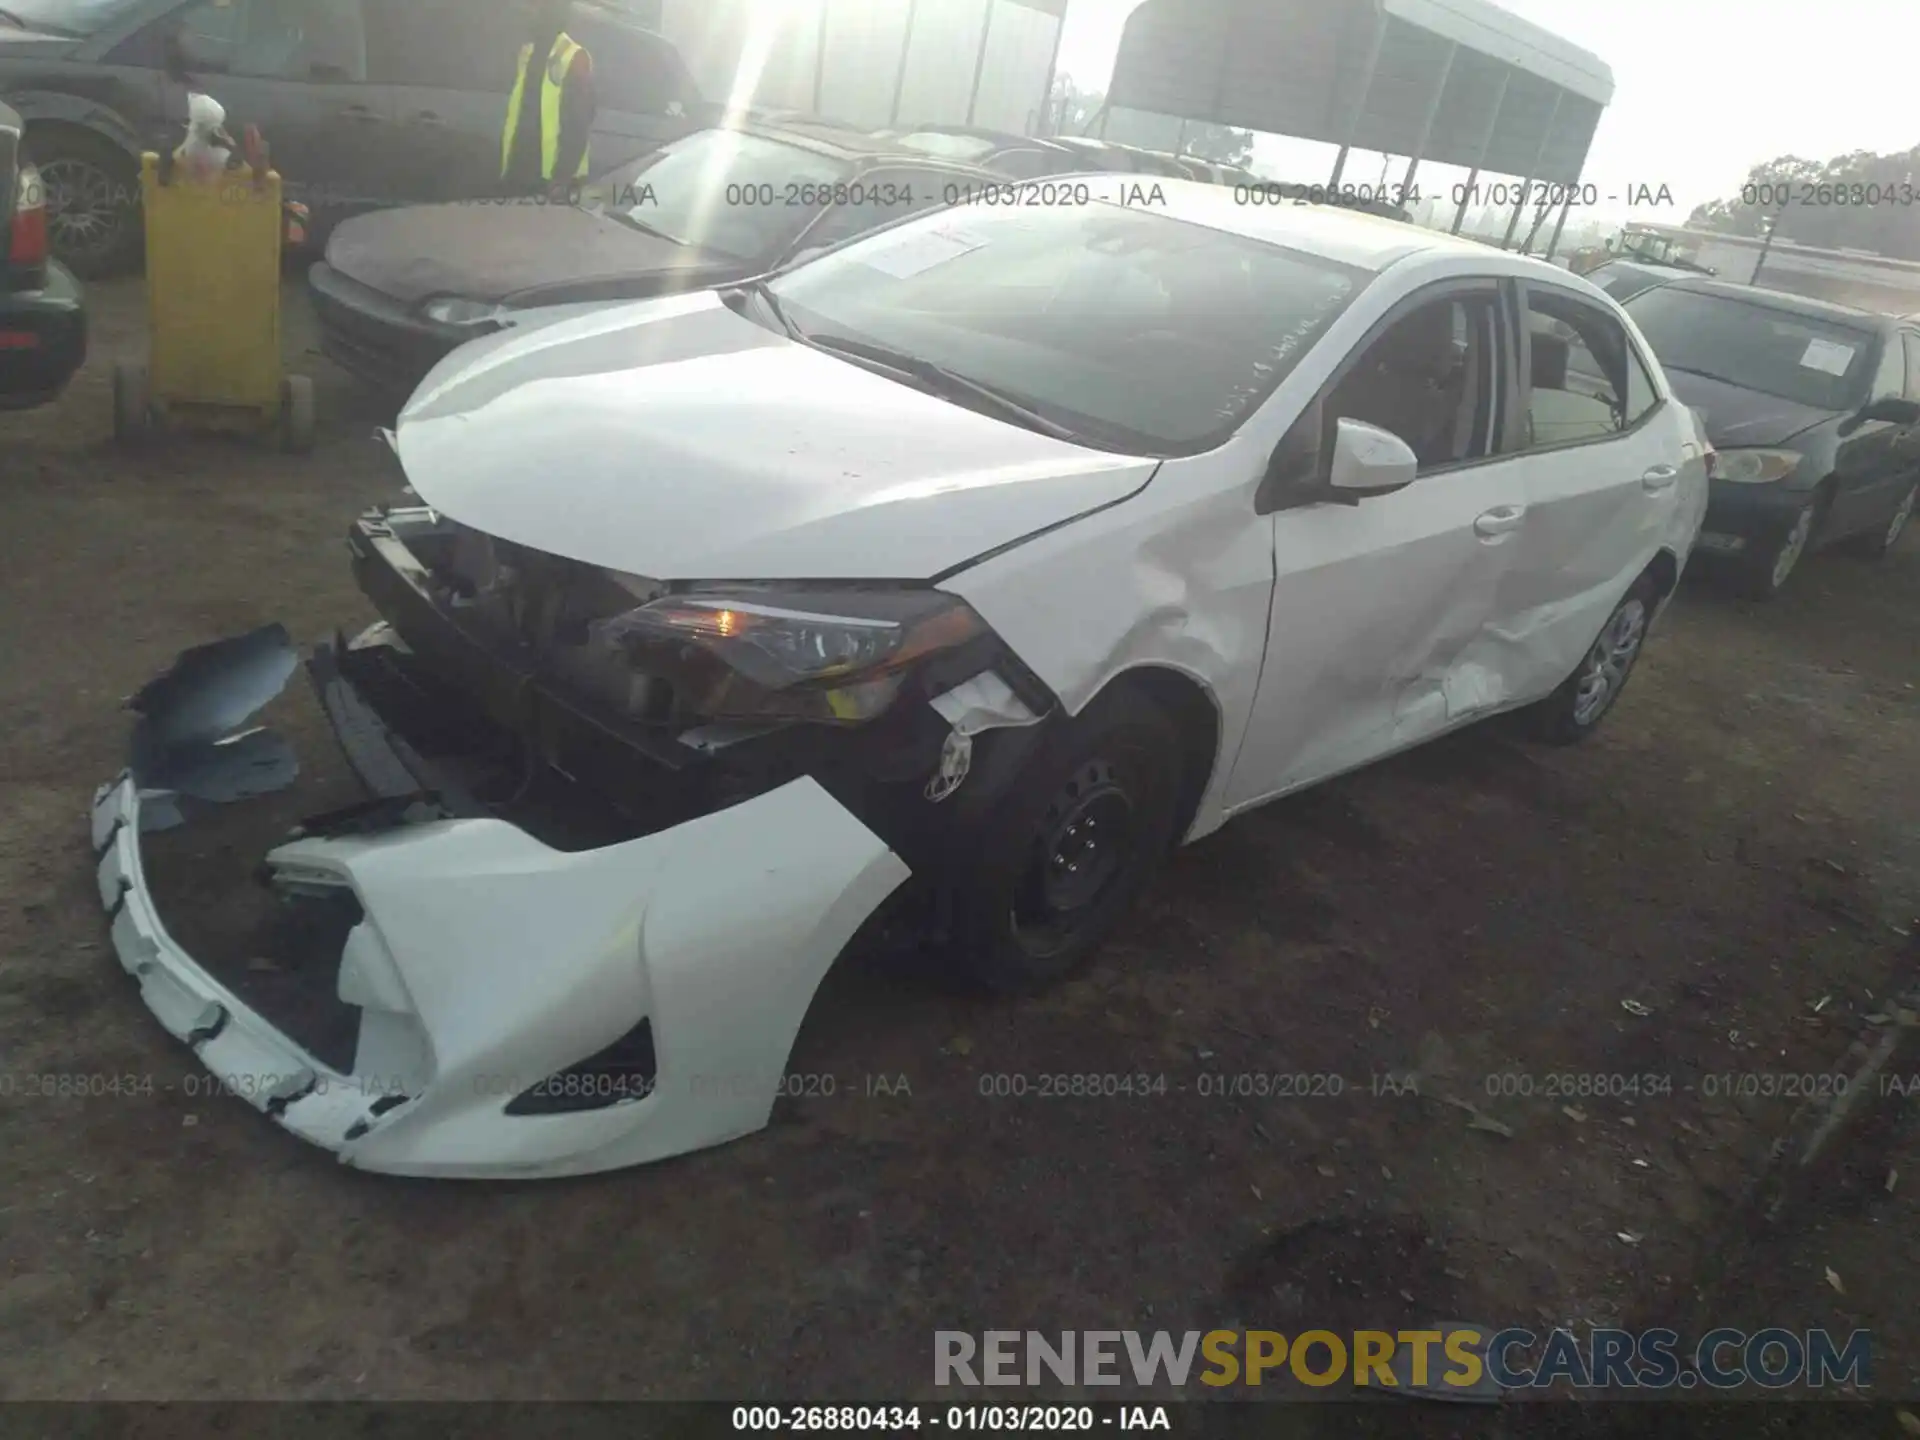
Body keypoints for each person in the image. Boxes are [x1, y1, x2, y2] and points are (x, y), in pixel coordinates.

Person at [500, 0, 596, 200]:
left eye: (535, 7)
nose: (528, 11)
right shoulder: (528, 50)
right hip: (519, 172)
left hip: (549, 180)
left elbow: (578, 124)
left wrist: (562, 178)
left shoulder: (574, 56)